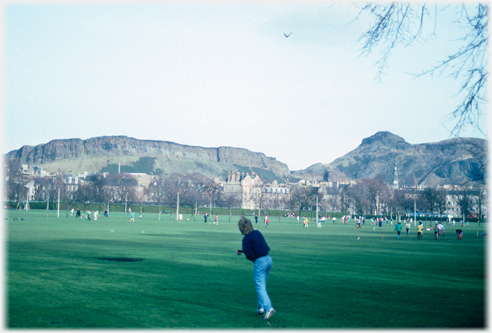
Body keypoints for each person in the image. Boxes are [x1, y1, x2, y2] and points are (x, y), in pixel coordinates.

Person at [236, 216, 275, 321]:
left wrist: (255, 260)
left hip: (260, 262)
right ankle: (260, 308)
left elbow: (250, 254)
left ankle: (268, 308)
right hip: (268, 259)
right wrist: (242, 250)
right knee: (262, 286)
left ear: (241, 228)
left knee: (260, 287)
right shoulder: (257, 233)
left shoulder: (246, 239)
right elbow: (258, 247)